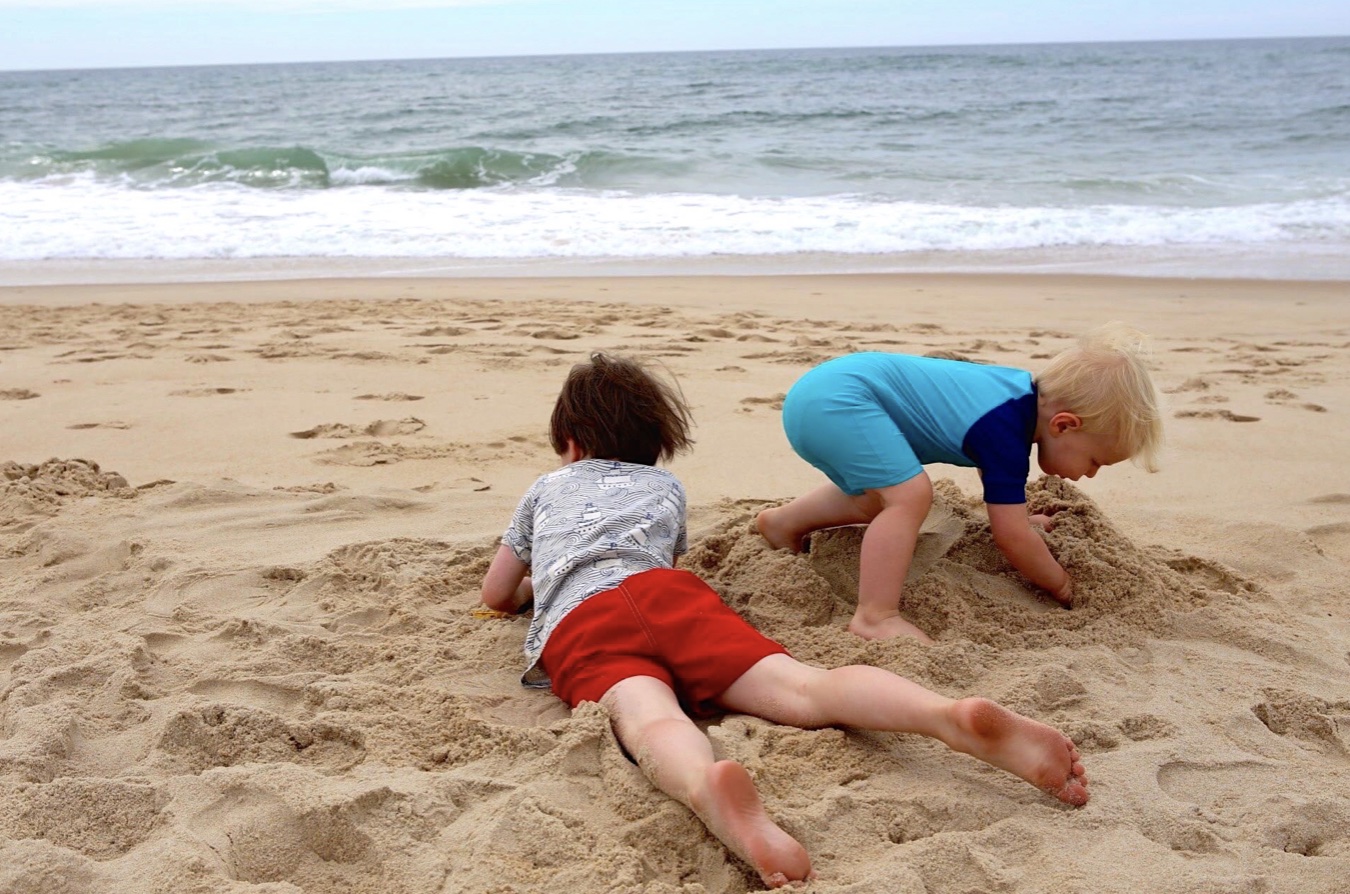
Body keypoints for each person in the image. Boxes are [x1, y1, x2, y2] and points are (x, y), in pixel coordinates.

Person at [481, 352, 1091, 889]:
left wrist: (543, 586)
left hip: (585, 622)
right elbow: (657, 560)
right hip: (667, 596)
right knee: (805, 687)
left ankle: (704, 784)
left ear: (571, 445)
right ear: (654, 443)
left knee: (653, 718)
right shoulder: (665, 489)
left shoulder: (545, 488)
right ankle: (944, 715)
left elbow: (499, 592)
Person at [756, 322, 1163, 642]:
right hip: (842, 402)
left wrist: (1019, 521)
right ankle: (875, 616)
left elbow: (1005, 507)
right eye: (1095, 461)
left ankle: (782, 524)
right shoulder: (1006, 432)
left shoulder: (1013, 396)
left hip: (820, 394)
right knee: (911, 496)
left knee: (881, 497)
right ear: (1064, 425)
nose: (1090, 474)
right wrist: (1063, 585)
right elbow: (1011, 537)